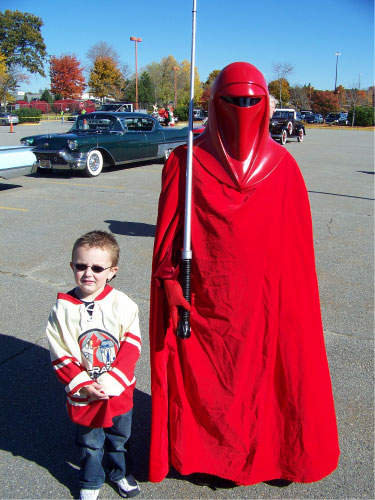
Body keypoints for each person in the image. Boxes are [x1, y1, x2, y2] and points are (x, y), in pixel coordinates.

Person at [149, 62, 340, 486]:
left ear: (266, 106)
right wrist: (167, 280)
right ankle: (210, 455)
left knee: (271, 376)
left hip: (270, 298)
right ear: (215, 104)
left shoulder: (283, 167)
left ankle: (275, 454)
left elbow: (296, 254)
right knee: (211, 378)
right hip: (205, 297)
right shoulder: (187, 162)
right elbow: (167, 234)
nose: (243, 109)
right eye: (233, 101)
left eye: (252, 102)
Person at [46, 230, 141, 500]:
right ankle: (90, 479)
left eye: (98, 268)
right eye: (81, 266)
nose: (89, 273)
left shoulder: (123, 305)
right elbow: (59, 352)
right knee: (89, 441)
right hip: (85, 393)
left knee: (120, 438)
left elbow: (132, 346)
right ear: (72, 266)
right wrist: (84, 384)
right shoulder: (61, 309)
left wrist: (110, 382)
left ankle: (120, 472)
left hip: (118, 390)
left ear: (112, 271)